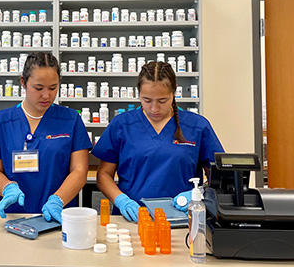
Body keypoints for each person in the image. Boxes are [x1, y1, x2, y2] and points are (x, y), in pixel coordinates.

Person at [93, 61, 223, 222]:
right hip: (132, 219)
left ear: (174, 93)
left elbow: (219, 178)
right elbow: (104, 175)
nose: (154, 108)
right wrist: (122, 201)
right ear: (138, 93)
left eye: (162, 101)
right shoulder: (122, 124)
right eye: (147, 100)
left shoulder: (197, 126)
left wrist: (200, 193)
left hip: (183, 219)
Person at [0, 52, 91, 223]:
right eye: (38, 88)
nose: (46, 95)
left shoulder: (70, 119)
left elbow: (79, 171)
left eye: (53, 88)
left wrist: (57, 200)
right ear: (23, 82)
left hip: (56, 216)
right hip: (12, 215)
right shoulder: (2, 121)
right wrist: (7, 188)